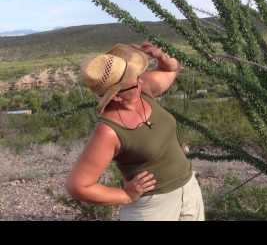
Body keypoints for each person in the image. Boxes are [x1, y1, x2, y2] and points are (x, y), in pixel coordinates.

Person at [66, 41, 205, 221]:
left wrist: (161, 56)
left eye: (139, 77)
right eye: (135, 82)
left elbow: (171, 70)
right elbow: (78, 186)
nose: (141, 81)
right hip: (152, 209)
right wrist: (126, 195)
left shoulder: (142, 88)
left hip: (188, 190)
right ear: (115, 95)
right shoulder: (108, 131)